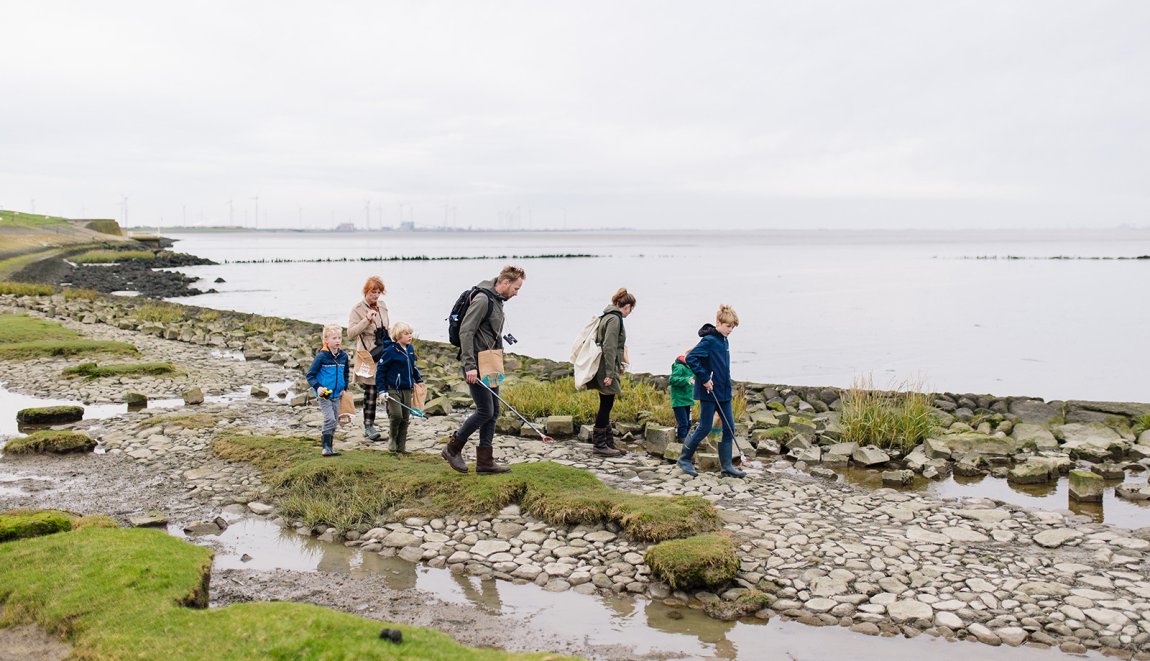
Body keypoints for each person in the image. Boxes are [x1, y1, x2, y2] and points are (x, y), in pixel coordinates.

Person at [442, 264, 525, 474]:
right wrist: (469, 366)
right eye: (516, 288)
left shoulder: (497, 300)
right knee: (485, 410)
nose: (517, 293)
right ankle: (452, 448)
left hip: (490, 363)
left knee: (494, 411)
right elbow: (466, 331)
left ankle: (485, 462)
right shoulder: (482, 299)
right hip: (477, 365)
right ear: (505, 283)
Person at [678, 304, 745, 478]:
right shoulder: (709, 340)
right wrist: (705, 378)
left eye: (732, 327)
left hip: (724, 391)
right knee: (705, 427)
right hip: (709, 392)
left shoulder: (724, 340)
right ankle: (684, 459)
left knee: (729, 427)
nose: (730, 330)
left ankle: (727, 466)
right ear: (718, 322)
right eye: (728, 326)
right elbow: (691, 358)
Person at [589, 288, 636, 457]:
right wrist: (610, 373)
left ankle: (607, 443)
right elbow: (609, 346)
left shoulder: (607, 315)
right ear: (628, 306)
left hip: (604, 365)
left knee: (606, 403)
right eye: (631, 309)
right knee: (606, 404)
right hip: (606, 368)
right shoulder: (615, 319)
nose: (630, 313)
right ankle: (600, 444)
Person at [348, 275, 389, 442]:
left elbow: (388, 326)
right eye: (373, 292)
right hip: (369, 354)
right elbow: (350, 334)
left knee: (389, 388)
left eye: (378, 292)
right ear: (366, 291)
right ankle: (368, 426)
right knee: (371, 391)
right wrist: (366, 320)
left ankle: (395, 423)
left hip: (385, 351)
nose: (376, 296)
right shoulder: (357, 309)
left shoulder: (383, 306)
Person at [376, 320, 423, 454]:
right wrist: (381, 390)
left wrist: (418, 379)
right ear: (398, 336)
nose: (410, 336)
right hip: (392, 388)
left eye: (410, 333)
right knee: (396, 415)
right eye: (406, 334)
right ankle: (392, 438)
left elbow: (412, 366)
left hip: (407, 389)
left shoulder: (410, 349)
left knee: (405, 418)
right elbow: (380, 370)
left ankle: (401, 447)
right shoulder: (390, 351)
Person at [305, 324, 350, 457]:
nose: (338, 341)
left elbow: (346, 373)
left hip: (338, 394)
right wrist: (318, 387)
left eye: (339, 338)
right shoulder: (321, 357)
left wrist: (344, 388)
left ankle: (330, 447)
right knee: (329, 419)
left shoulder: (343, 356)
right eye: (334, 338)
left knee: (335, 420)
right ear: (326, 340)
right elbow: (310, 375)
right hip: (324, 394)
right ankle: (325, 447)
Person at [669, 350, 695, 442]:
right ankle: (682, 441)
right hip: (679, 401)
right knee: (683, 422)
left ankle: (688, 441)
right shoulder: (679, 366)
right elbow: (672, 379)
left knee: (688, 423)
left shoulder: (691, 367)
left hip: (688, 400)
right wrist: (687, 380)